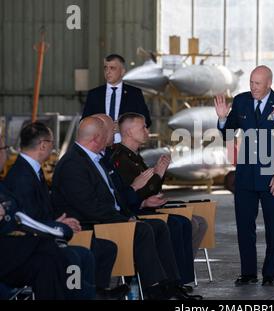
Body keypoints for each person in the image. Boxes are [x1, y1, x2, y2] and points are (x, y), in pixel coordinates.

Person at [51, 116, 200, 300]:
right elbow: (89, 207)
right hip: (89, 226)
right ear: (96, 138)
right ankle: (153, 289)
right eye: (109, 133)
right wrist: (125, 219)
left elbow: (116, 197)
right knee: (143, 230)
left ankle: (169, 285)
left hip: (106, 220)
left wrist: (131, 213)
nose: (113, 138)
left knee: (158, 226)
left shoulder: (94, 160)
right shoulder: (73, 164)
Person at [3, 122, 128, 299]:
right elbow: (25, 220)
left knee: (90, 253)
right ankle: (87, 294)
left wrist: (60, 222)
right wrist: (56, 225)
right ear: (43, 145)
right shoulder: (21, 177)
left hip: (45, 234)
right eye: (52, 144)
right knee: (73, 257)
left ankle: (92, 292)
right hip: (31, 243)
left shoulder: (31, 171)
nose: (53, 149)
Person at [215, 65, 274, 286]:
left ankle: (269, 274)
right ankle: (248, 273)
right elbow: (229, 133)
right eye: (251, 82)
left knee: (273, 228)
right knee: (244, 227)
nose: (253, 87)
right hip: (246, 177)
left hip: (273, 177)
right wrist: (223, 119)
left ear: (269, 83)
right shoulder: (242, 101)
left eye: (258, 83)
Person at [109, 112, 207, 288]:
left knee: (191, 222)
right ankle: (173, 280)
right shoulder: (120, 158)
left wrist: (157, 175)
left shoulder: (134, 156)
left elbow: (148, 188)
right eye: (143, 127)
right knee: (179, 224)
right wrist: (158, 175)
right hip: (134, 210)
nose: (147, 131)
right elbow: (135, 192)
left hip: (144, 206)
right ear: (130, 132)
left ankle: (180, 277)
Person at [0, 135, 81, 300]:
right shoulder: (20, 176)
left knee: (50, 263)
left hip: (14, 249)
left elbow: (19, 216)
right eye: (3, 149)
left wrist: (52, 225)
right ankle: (84, 293)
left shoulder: (3, 185)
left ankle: (84, 292)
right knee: (59, 252)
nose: (6, 154)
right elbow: (18, 219)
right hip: (7, 251)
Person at [82, 53, 151, 142]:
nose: (108, 72)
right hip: (99, 148)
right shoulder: (94, 94)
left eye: (112, 68)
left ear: (122, 71)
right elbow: (84, 121)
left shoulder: (134, 94)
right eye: (105, 68)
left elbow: (146, 121)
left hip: (126, 147)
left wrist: (123, 127)